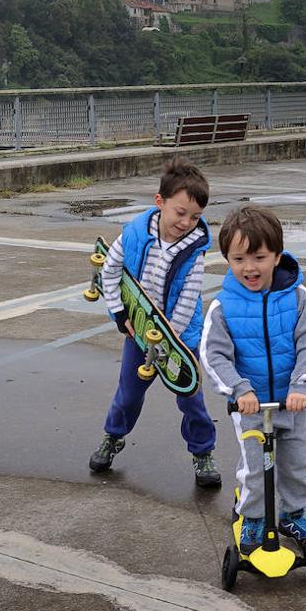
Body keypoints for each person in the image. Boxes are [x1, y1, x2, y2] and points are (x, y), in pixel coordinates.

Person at [200, 205, 306, 553]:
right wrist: (239, 389)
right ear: (226, 258)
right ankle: (253, 518)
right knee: (255, 469)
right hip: (251, 407)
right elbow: (214, 356)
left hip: (293, 404)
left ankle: (293, 514)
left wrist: (303, 385)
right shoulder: (224, 306)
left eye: (259, 257)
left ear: (276, 256)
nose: (249, 268)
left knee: (298, 463)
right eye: (238, 259)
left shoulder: (299, 298)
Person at [88, 157, 220, 487]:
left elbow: (191, 295)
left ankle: (202, 452)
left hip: (178, 337)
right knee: (128, 395)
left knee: (190, 397)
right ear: (159, 202)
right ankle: (113, 437)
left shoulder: (195, 250)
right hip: (139, 333)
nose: (187, 222)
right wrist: (119, 314)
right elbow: (111, 271)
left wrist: (171, 336)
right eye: (180, 212)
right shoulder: (133, 235)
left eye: (196, 217)